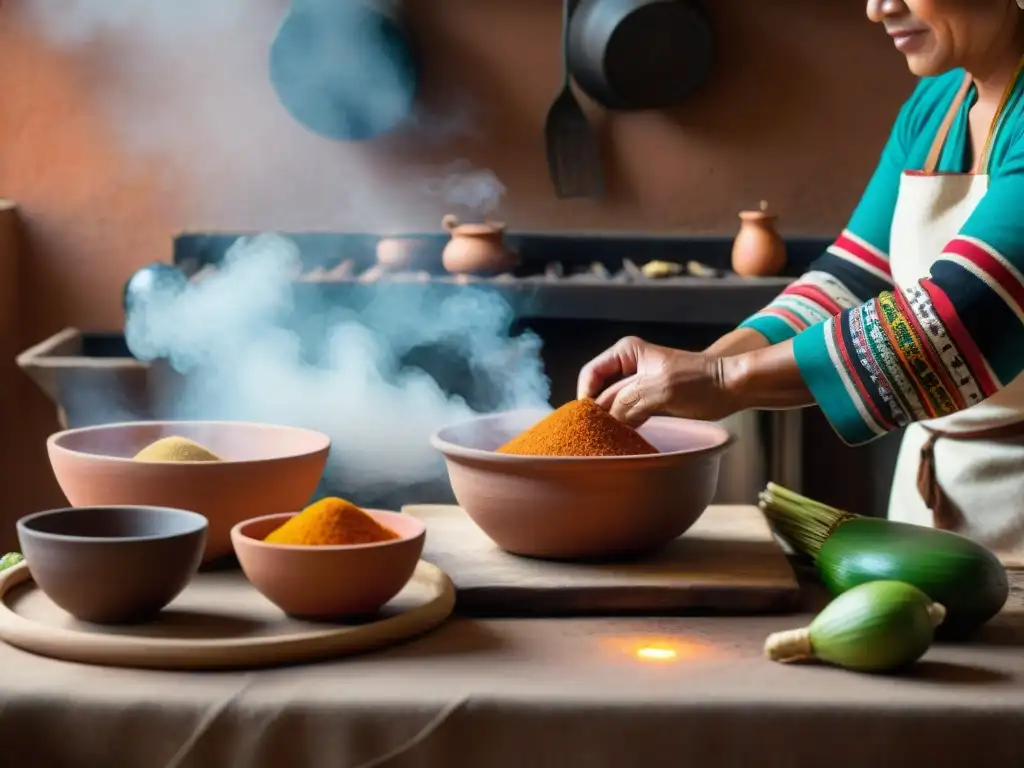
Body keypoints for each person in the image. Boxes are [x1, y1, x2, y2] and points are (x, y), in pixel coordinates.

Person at [577, 0, 1024, 558]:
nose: (877, 8)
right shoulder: (936, 105)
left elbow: (963, 319)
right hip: (932, 507)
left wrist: (721, 378)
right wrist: (700, 366)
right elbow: (851, 277)